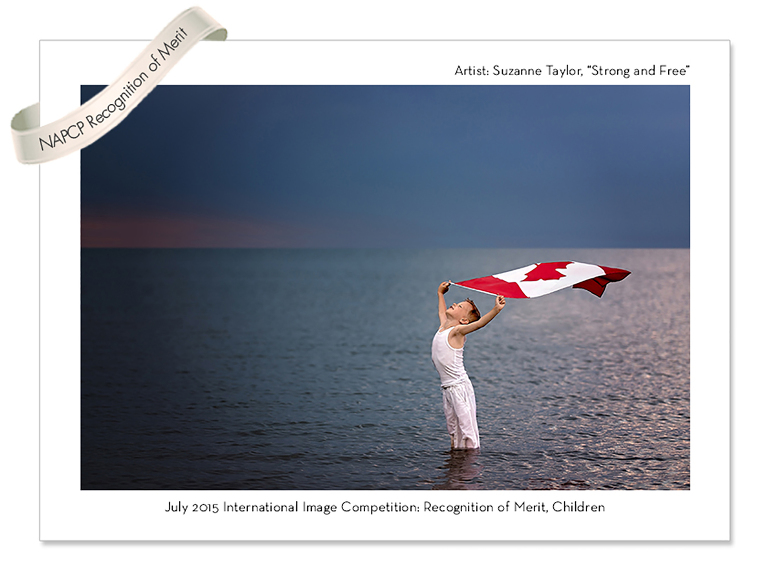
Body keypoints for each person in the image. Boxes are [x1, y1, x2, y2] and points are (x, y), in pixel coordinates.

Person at [432, 281, 505, 450]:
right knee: (453, 429)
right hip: (447, 389)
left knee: (467, 430)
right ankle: (455, 464)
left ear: (463, 320)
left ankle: (470, 469)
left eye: (459, 306)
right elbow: (441, 311)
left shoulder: (456, 332)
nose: (454, 304)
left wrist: (496, 309)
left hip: (460, 388)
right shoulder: (443, 326)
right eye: (457, 303)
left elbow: (479, 324)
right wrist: (440, 294)